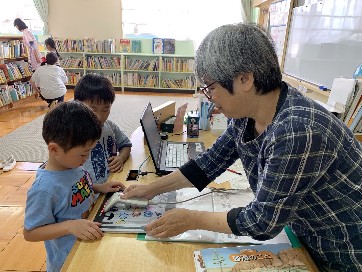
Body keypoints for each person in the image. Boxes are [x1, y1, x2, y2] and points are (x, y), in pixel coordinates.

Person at [123, 23, 362, 271]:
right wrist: (151, 189)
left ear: (244, 79)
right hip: (302, 232)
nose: (209, 97)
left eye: (211, 87)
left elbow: (262, 222)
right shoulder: (245, 114)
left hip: (342, 250)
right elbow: (209, 164)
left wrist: (190, 219)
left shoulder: (296, 129)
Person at [23, 101, 126, 272]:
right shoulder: (44, 189)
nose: (86, 158)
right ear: (54, 149)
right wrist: (70, 226)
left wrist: (98, 187)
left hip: (89, 240)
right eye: (83, 154)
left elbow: (76, 189)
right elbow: (30, 233)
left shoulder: (73, 164)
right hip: (68, 260)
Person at [74, 73, 132, 184]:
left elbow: (126, 145)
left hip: (112, 182)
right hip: (88, 195)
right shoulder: (71, 133)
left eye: (105, 110)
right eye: (93, 110)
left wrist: (121, 158)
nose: (100, 117)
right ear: (77, 104)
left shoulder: (109, 126)